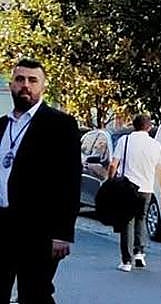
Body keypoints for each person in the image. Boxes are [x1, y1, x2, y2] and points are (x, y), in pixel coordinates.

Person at [0, 59, 79, 304]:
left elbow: (69, 181)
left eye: (32, 80)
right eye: (20, 79)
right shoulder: (1, 126)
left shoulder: (60, 125)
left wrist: (63, 232)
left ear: (43, 86)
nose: (26, 85)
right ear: (11, 84)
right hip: (1, 225)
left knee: (35, 293)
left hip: (38, 229)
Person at [109, 113, 161, 272]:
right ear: (149, 127)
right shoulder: (156, 145)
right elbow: (160, 170)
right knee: (141, 219)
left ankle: (126, 261)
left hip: (128, 187)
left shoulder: (125, 141)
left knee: (127, 222)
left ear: (133, 125)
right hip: (146, 189)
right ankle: (139, 252)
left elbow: (113, 165)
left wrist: (111, 182)